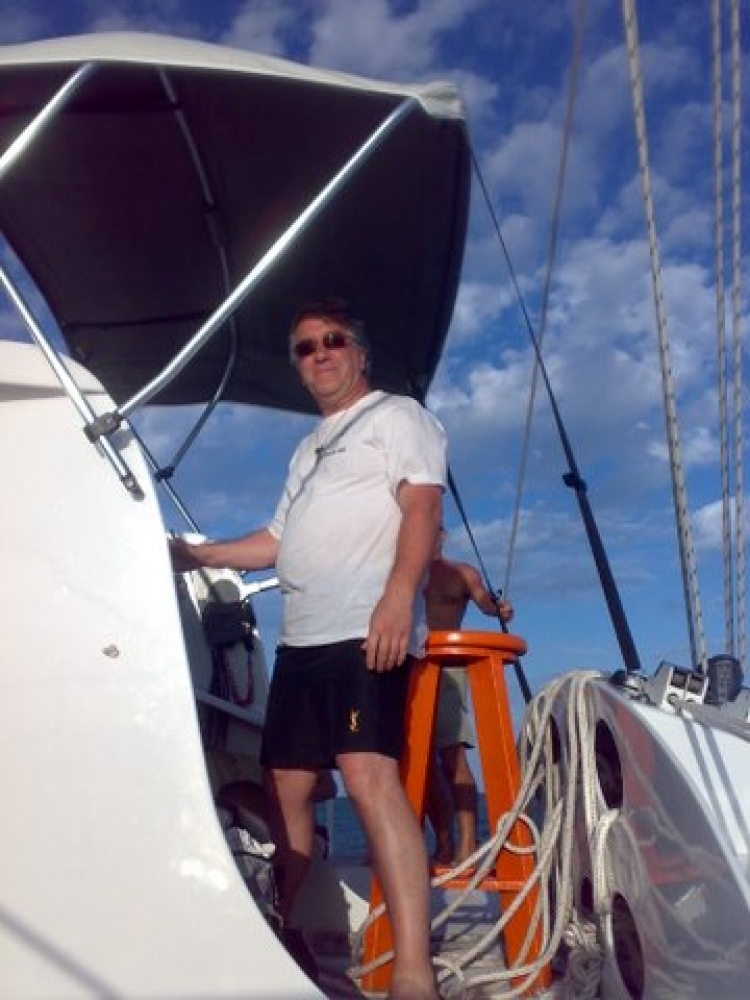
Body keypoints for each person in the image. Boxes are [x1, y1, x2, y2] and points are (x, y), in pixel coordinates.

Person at [171, 298, 444, 1000]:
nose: (320, 353)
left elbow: (421, 507)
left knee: (367, 776)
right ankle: (277, 933)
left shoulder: (398, 417)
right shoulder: (308, 450)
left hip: (364, 627)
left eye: (333, 341)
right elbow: (275, 541)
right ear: (298, 366)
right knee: (285, 787)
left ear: (360, 353)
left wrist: (397, 597)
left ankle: (414, 971)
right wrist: (198, 555)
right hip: (302, 639)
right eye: (305, 347)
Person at [424, 528, 513, 867]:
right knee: (418, 763)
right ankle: (443, 841)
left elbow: (484, 601)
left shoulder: (462, 573)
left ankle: (468, 841)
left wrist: (499, 609)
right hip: (407, 669)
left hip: (448, 669)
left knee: (453, 757)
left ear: (442, 536)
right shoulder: (400, 573)